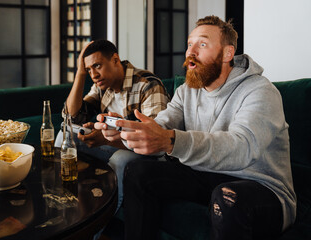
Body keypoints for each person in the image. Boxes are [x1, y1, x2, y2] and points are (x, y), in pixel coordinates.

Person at [97, 16, 296, 239]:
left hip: (258, 186)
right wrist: (125, 131)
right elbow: (161, 126)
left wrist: (171, 140)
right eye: (189, 44)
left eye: (202, 44)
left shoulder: (260, 91)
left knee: (227, 198)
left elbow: (242, 148)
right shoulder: (187, 91)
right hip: (205, 174)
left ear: (228, 53)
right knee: (139, 171)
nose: (191, 52)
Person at [55, 39, 170, 210]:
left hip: (150, 155)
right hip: (116, 144)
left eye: (97, 66)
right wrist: (80, 73)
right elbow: (71, 117)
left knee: (120, 159)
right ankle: (60, 199)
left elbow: (154, 143)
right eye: (89, 69)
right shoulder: (102, 85)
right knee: (65, 133)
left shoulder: (148, 85)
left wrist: (106, 139)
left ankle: (97, 224)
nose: (93, 75)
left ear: (115, 60)